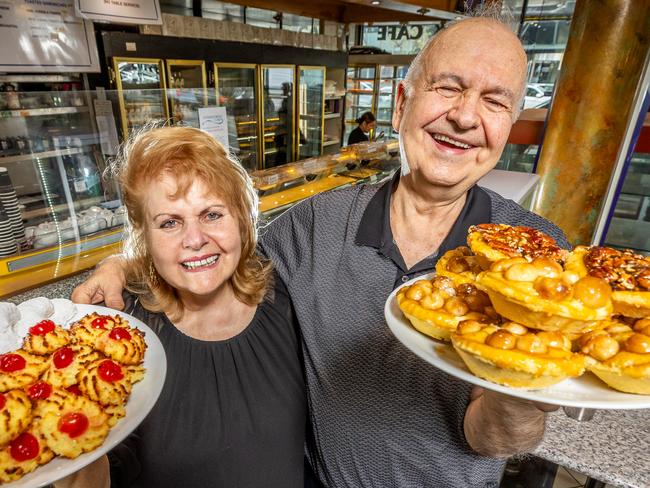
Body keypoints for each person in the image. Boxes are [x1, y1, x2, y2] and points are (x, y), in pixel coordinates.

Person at [73, 13, 565, 488]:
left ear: (510, 126)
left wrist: (521, 391)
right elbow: (213, 254)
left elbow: (493, 439)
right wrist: (121, 265)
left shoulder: (536, 263)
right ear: (400, 106)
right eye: (448, 87)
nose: (463, 116)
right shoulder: (315, 224)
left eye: (494, 101)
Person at [62, 126, 306, 487]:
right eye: (170, 222)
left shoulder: (285, 294)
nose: (195, 240)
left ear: (241, 218)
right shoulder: (122, 336)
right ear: (144, 236)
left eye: (211, 214)